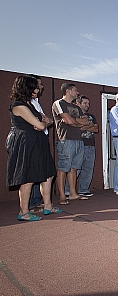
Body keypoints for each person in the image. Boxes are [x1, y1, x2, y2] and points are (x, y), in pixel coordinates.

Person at [7, 75, 61, 221]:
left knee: (48, 174)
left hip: (38, 141)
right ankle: (23, 212)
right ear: (27, 88)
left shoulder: (30, 105)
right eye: (35, 87)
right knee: (28, 177)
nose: (38, 89)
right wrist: (41, 123)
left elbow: (46, 121)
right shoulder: (18, 106)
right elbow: (41, 124)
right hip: (27, 143)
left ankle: (47, 206)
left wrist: (41, 122)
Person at [52, 83, 90, 204]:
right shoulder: (59, 103)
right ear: (68, 91)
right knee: (63, 168)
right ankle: (62, 196)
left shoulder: (77, 107)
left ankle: (73, 194)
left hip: (79, 140)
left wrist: (74, 122)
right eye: (75, 90)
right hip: (65, 140)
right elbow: (68, 120)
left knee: (74, 168)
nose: (77, 93)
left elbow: (86, 122)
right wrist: (74, 121)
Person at [65, 95, 99, 198]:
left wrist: (85, 126)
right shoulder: (74, 115)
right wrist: (89, 126)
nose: (87, 105)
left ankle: (84, 189)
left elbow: (96, 129)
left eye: (88, 103)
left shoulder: (91, 116)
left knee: (88, 168)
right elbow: (78, 128)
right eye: (85, 103)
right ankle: (68, 190)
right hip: (79, 145)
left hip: (90, 145)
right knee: (76, 168)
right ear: (78, 103)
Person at [28, 74, 48, 212]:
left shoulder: (36, 102)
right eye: (39, 84)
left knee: (42, 172)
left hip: (41, 138)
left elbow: (47, 120)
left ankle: (38, 201)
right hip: (32, 139)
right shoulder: (26, 103)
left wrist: (45, 121)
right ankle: (32, 204)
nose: (41, 87)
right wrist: (44, 121)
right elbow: (40, 123)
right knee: (32, 172)